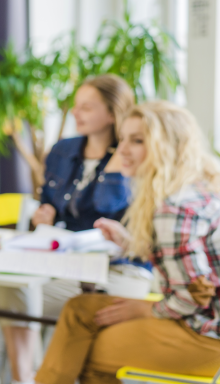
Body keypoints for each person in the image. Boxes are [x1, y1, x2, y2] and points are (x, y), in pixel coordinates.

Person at [35, 101, 220, 383]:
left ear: (167, 146)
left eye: (137, 141)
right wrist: (131, 244)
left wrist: (146, 308)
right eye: (122, 139)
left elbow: (194, 295)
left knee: (86, 350)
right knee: (79, 308)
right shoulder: (196, 188)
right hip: (199, 318)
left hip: (206, 334)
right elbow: (190, 263)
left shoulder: (174, 207)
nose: (122, 150)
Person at [0, 74, 135, 383]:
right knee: (12, 289)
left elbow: (111, 209)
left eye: (87, 107)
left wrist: (113, 165)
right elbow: (47, 202)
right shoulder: (63, 150)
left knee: (70, 309)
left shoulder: (129, 156)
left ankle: (48, 373)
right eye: (76, 106)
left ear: (112, 113)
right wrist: (43, 214)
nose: (75, 113)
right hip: (63, 260)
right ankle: (25, 376)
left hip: (115, 268)